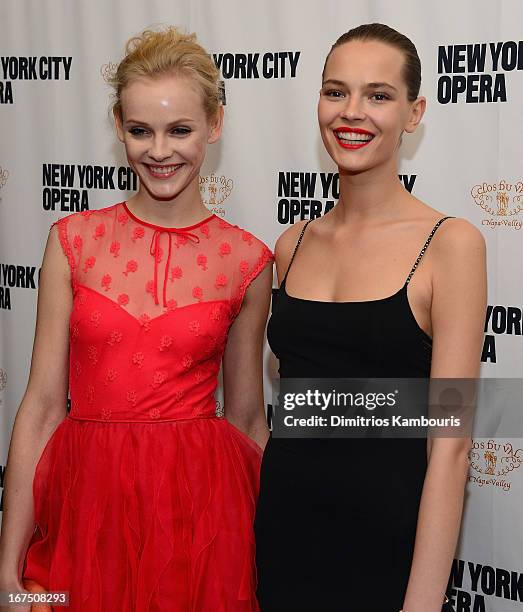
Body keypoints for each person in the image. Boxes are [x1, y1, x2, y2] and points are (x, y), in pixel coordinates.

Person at [0, 27, 273, 611]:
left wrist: (264, 554)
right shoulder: (72, 241)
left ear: (214, 126)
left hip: (200, 519)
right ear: (118, 126)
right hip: (86, 509)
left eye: (180, 130)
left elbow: (248, 418)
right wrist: (7, 570)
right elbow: (43, 405)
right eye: (140, 130)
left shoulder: (248, 260)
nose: (160, 150)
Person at [254, 23, 486, 612]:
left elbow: (450, 444)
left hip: (389, 548)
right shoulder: (292, 244)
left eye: (378, 95)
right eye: (336, 92)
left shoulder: (450, 244)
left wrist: (422, 603)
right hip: (283, 537)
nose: (351, 112)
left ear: (414, 114)